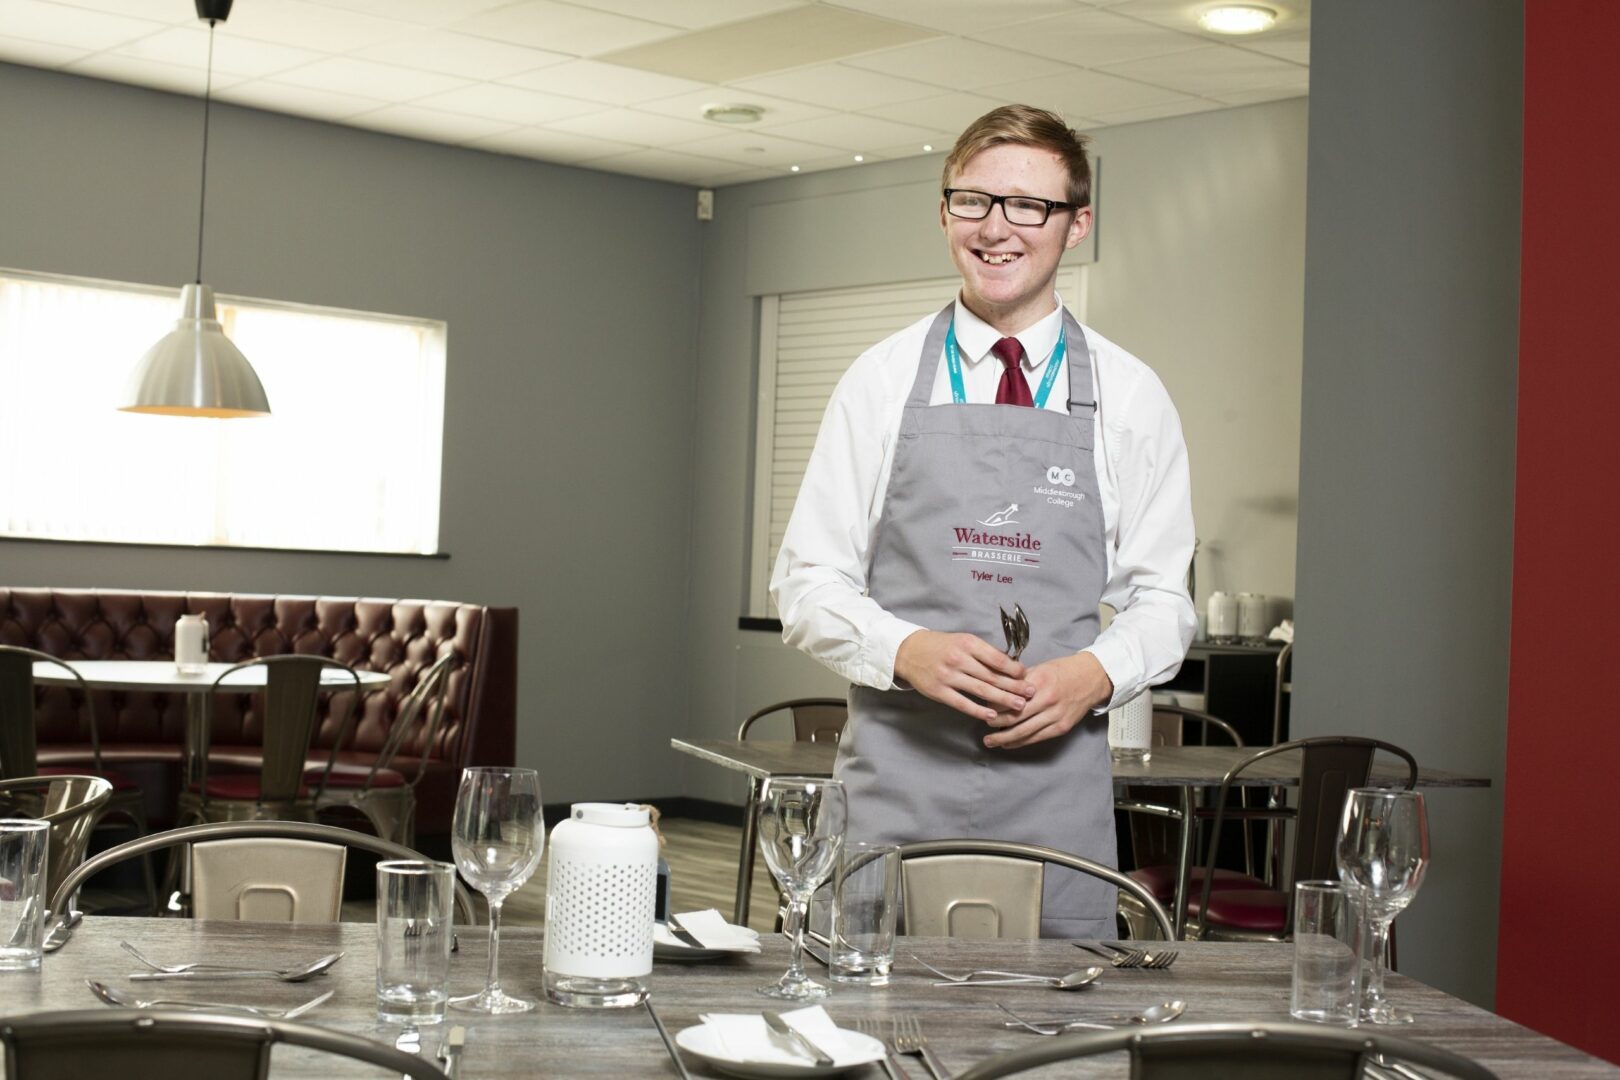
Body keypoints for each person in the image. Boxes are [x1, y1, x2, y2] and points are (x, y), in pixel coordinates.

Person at [770, 104, 1196, 937]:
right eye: (975, 201)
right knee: (869, 1039)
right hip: (892, 793)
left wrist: (1096, 674)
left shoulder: (1132, 395)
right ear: (944, 212)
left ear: (1077, 225)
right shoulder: (878, 380)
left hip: (1056, 804)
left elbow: (1164, 600)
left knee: (1054, 1051)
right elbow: (807, 583)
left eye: (1030, 206)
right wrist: (906, 649)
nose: (998, 228)